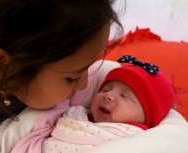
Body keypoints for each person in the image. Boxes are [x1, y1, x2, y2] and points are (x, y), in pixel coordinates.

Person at [0, 0, 188, 153]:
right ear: (0, 66)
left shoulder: (44, 78)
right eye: (72, 78)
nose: (85, 83)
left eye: (89, 67)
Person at [42, 56, 178, 152]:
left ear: (147, 116)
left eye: (125, 96)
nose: (108, 96)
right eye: (106, 89)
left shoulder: (140, 138)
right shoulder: (78, 115)